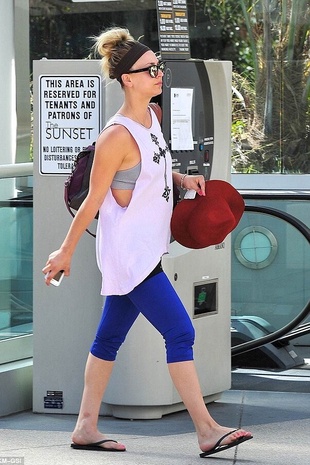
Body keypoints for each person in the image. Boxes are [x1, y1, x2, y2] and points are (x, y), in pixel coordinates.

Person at [42, 27, 252, 457]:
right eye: (150, 68)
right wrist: (65, 250)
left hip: (146, 248)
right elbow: (93, 203)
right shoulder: (115, 136)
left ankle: (85, 426)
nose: (160, 74)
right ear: (127, 79)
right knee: (180, 330)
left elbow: (152, 167)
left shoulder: (152, 118)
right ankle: (207, 430)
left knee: (106, 341)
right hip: (130, 256)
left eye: (159, 67)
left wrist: (180, 178)